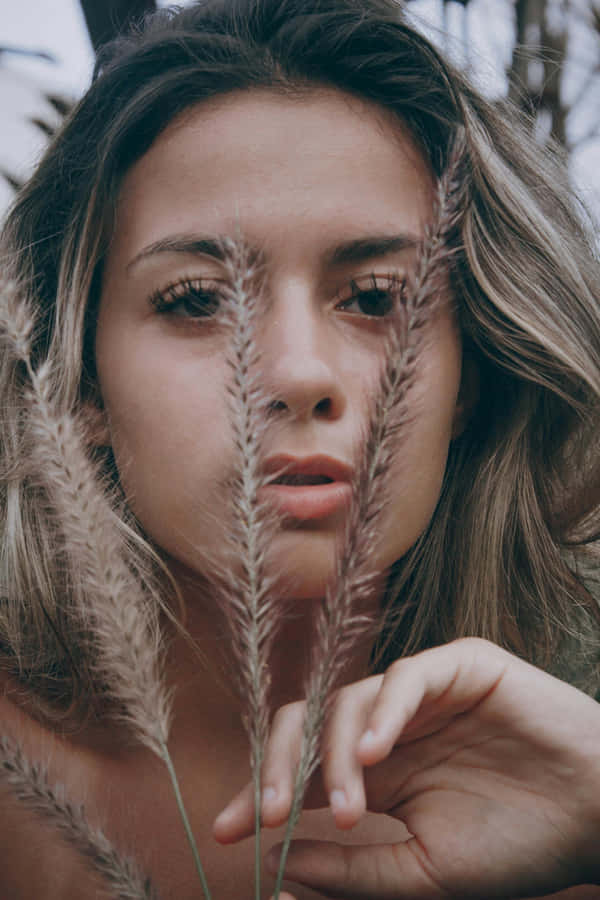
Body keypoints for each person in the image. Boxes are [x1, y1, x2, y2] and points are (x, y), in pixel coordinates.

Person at [0, 0, 599, 897]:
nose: (299, 373)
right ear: (77, 386)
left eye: (374, 297)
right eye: (197, 299)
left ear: (470, 377)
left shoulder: (556, 773)